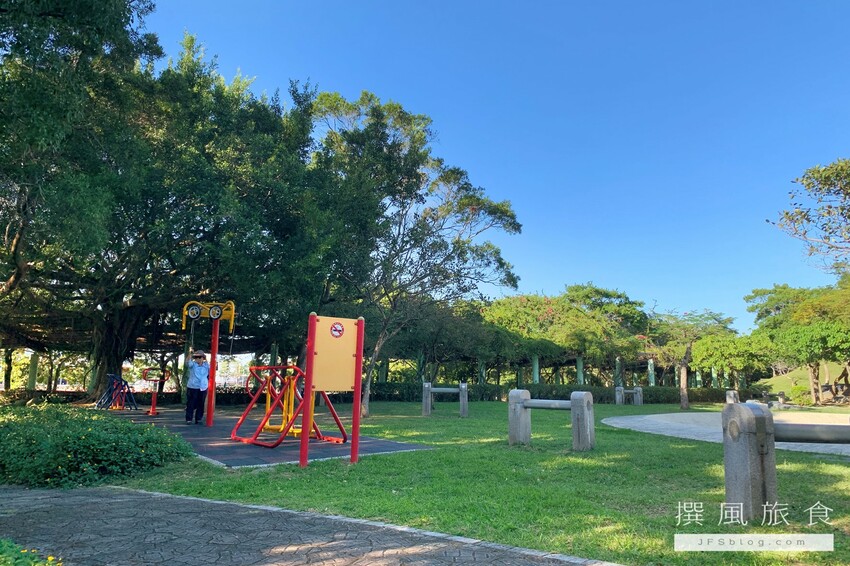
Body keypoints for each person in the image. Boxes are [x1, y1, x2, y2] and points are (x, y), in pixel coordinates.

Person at [185, 349, 210, 424]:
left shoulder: (206, 365)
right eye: (196, 357)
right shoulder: (193, 364)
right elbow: (187, 362)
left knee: (201, 403)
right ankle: (189, 419)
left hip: (202, 387)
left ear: (203, 358)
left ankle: (198, 419)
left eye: (200, 357)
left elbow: (213, 368)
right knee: (191, 403)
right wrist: (190, 353)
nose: (198, 359)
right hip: (192, 387)